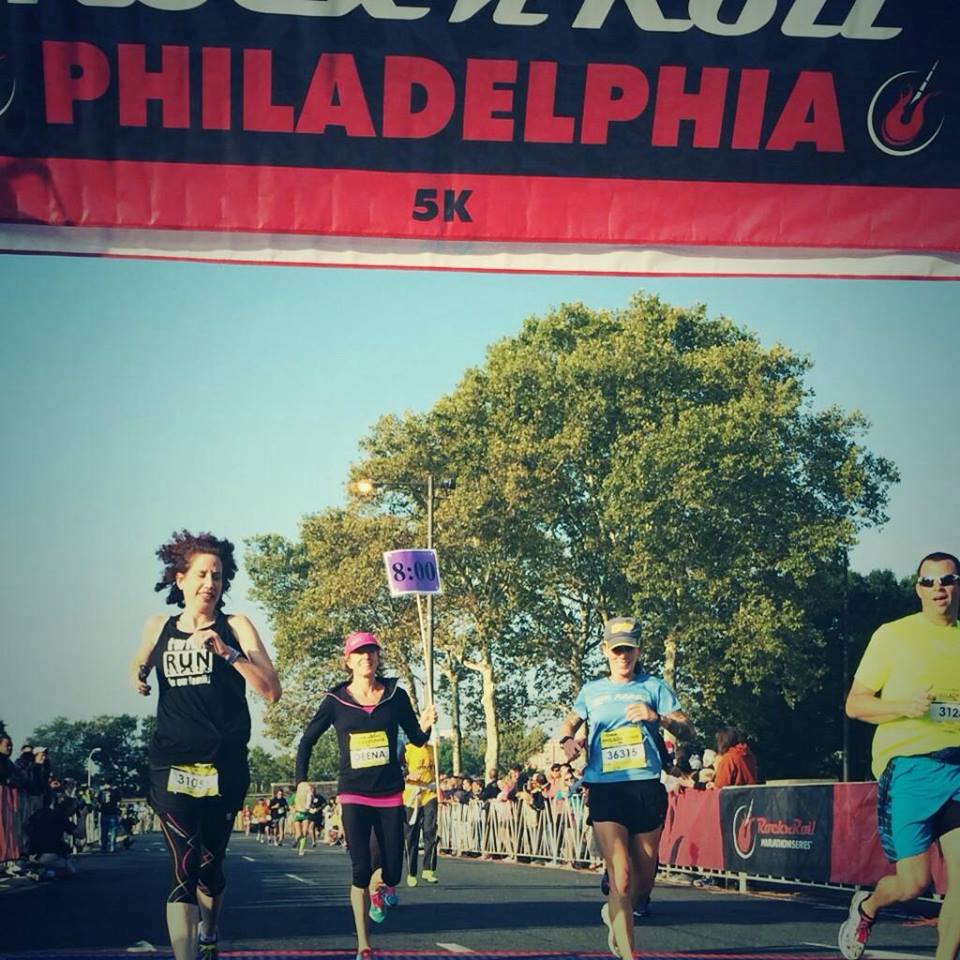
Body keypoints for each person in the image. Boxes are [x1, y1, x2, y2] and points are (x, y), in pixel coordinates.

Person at [130, 530, 281, 960]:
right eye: (201, 574)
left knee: (210, 868)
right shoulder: (157, 625)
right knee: (183, 867)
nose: (209, 583)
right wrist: (137, 675)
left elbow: (272, 690)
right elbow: (139, 659)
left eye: (217, 575)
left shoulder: (236, 627)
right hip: (171, 763)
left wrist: (230, 655)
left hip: (224, 765)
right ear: (180, 579)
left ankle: (210, 933)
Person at [839, 550, 960, 960]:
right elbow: (855, 705)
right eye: (929, 582)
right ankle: (867, 907)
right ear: (918, 590)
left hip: (958, 767)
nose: (939, 588)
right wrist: (903, 707)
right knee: (913, 884)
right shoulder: (893, 635)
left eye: (947, 579)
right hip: (909, 769)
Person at [557, 616, 694, 960]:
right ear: (606, 651)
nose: (623, 656)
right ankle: (629, 952)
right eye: (617, 650)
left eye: (629, 650)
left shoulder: (655, 687)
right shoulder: (591, 691)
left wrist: (657, 718)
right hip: (606, 788)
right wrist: (567, 741)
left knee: (643, 884)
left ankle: (616, 912)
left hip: (646, 788)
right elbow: (569, 724)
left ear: (638, 650)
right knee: (621, 875)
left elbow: (689, 730)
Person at [295, 631, 437, 960]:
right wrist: (301, 779)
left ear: (378, 658)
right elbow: (307, 741)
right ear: (348, 661)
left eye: (371, 652)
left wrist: (427, 724)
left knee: (392, 872)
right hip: (354, 794)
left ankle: (380, 889)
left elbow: (416, 739)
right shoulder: (336, 700)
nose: (366, 658)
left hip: (389, 793)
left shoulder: (395, 696)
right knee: (360, 869)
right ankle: (364, 945)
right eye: (359, 654)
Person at [402, 739, 439, 886]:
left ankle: (428, 869)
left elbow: (435, 771)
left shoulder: (433, 749)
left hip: (429, 793)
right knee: (411, 835)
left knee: (430, 830)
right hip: (411, 795)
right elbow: (399, 769)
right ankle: (411, 872)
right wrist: (408, 775)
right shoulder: (407, 749)